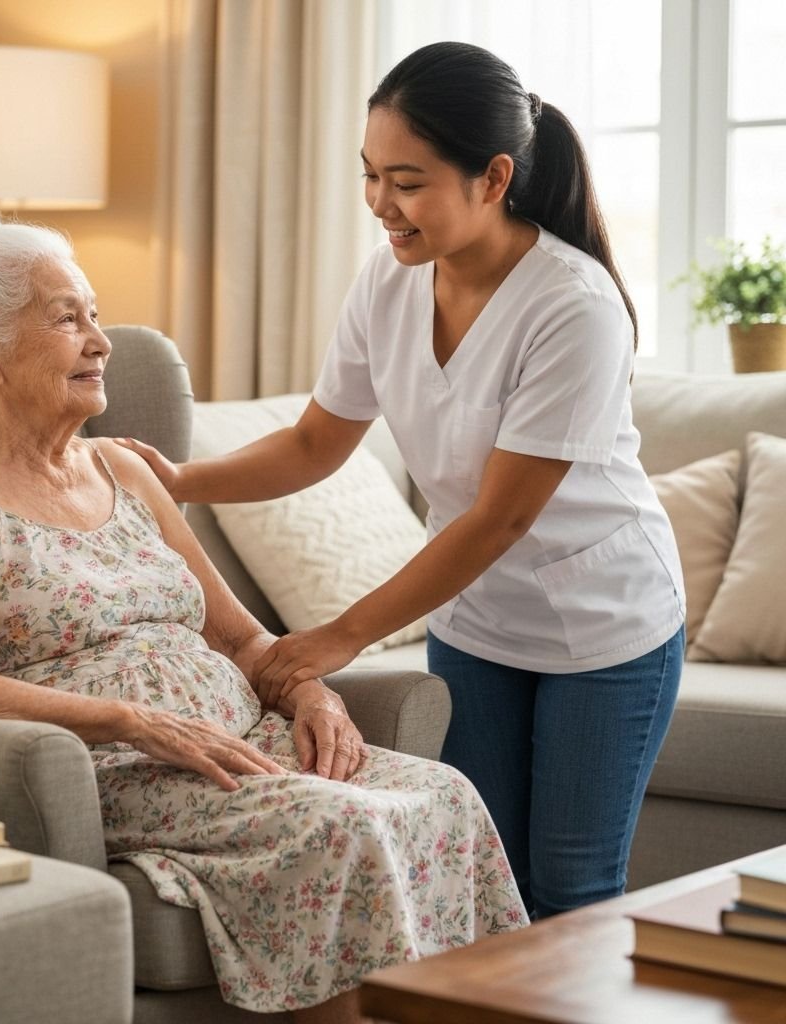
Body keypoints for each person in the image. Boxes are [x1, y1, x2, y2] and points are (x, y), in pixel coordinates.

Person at [0, 205, 528, 1023]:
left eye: (94, 313)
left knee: (447, 796)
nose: (100, 339)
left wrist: (308, 693)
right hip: (124, 768)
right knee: (344, 828)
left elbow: (234, 635)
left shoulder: (123, 466)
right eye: (66, 319)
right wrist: (127, 720)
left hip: (240, 744)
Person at [118, 42, 686, 921]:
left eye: (409, 180)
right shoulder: (389, 277)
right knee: (481, 883)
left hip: (604, 630)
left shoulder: (573, 306)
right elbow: (314, 442)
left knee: (574, 895)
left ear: (493, 178)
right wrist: (183, 480)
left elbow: (498, 520)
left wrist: (337, 638)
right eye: (371, 175)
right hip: (478, 624)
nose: (383, 204)